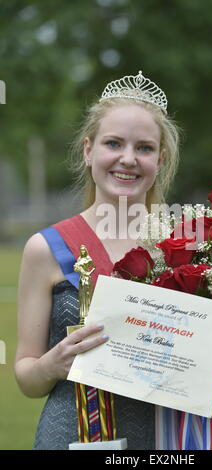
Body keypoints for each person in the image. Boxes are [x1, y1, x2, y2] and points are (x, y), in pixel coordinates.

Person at [14, 71, 181, 450]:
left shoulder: (187, 247)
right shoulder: (45, 248)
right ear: (89, 150)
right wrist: (50, 365)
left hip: (168, 441)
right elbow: (25, 376)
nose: (128, 159)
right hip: (74, 436)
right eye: (113, 143)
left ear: (160, 158)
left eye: (144, 148)